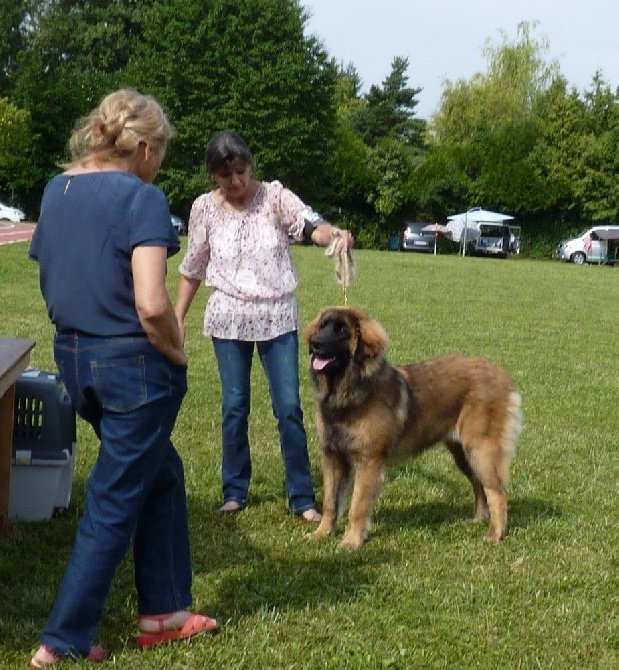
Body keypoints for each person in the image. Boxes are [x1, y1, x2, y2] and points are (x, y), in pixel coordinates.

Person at [28, 89, 218, 668]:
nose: (157, 163)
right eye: (157, 151)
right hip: (134, 368)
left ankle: (164, 612)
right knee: (113, 501)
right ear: (140, 146)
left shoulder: (55, 192)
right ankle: (62, 641)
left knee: (161, 470)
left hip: (75, 360)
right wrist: (176, 354)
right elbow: (153, 303)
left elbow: (53, 279)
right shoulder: (143, 197)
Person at [174, 130, 353, 520]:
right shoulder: (204, 209)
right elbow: (193, 267)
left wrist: (335, 236)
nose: (236, 181)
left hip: (277, 316)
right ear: (213, 177)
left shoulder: (274, 197)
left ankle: (302, 496)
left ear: (249, 166)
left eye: (241, 171)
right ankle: (235, 490)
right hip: (229, 317)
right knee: (234, 407)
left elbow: (311, 225)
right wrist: (177, 317)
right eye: (226, 175)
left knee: (288, 407)